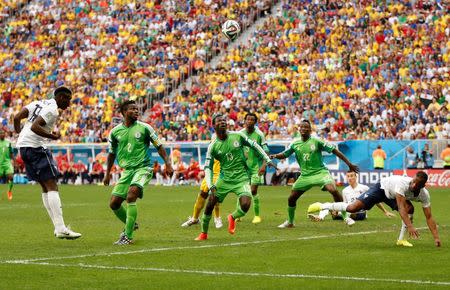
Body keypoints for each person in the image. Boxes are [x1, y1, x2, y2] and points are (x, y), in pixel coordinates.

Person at [13, 86, 81, 239]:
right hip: (36, 148)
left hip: (24, 147)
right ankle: (61, 228)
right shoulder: (53, 109)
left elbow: (17, 118)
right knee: (52, 185)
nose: (69, 104)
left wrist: (19, 133)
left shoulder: (38, 103)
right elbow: (36, 127)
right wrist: (52, 136)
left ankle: (58, 228)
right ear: (61, 98)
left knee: (45, 187)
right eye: (68, 100)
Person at [195, 114, 276, 240]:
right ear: (213, 126)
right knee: (210, 203)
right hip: (224, 179)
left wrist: (266, 159)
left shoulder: (238, 135)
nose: (222, 122)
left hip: (241, 178)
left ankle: (232, 217)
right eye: (219, 121)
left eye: (224, 120)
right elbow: (208, 167)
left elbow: (254, 145)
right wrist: (211, 184)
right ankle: (203, 233)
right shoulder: (213, 146)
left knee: (245, 205)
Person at [103, 100, 173, 245]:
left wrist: (167, 163)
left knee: (131, 196)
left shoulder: (145, 128)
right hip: (127, 171)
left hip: (143, 168)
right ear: (124, 112)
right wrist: (107, 173)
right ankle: (131, 223)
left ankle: (127, 236)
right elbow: (111, 154)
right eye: (133, 109)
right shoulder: (115, 132)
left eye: (137, 109)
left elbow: (159, 146)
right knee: (114, 203)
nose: (136, 111)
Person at [308, 171, 441, 247]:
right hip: (382, 189)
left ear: (423, 186)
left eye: (417, 184)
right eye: (413, 181)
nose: (413, 185)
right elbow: (400, 207)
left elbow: (429, 216)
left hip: (392, 195)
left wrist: (436, 238)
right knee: (352, 208)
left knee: (410, 209)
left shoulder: (424, 195)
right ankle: (323, 205)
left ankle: (401, 240)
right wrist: (410, 226)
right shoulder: (403, 184)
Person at [270, 119, 359, 228]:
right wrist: (274, 156)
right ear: (299, 129)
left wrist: (349, 164)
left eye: (306, 127)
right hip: (305, 176)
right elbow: (285, 154)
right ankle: (290, 222)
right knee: (291, 198)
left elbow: (335, 151)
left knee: (333, 190)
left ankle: (346, 217)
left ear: (310, 130)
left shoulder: (317, 141)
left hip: (320, 173)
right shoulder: (295, 143)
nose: (303, 129)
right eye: (301, 127)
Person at [308, 171, 395, 222]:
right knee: (330, 205)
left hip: (361, 213)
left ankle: (338, 216)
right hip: (349, 210)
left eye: (352, 176)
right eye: (348, 176)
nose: (350, 178)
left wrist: (385, 211)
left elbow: (376, 200)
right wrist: (337, 210)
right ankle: (320, 217)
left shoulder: (364, 188)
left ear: (356, 177)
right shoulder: (345, 190)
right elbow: (344, 204)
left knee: (351, 213)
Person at [240, 113, 270, 224]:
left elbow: (266, 150)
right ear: (244, 121)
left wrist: (264, 165)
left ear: (255, 122)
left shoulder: (259, 134)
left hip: (256, 167)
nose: (250, 121)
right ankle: (239, 213)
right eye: (248, 119)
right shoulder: (240, 134)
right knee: (242, 191)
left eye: (252, 120)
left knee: (253, 190)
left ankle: (257, 215)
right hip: (243, 167)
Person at [181, 157, 222, 229]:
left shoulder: (226, 147)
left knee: (215, 195)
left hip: (220, 175)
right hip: (209, 175)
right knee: (202, 195)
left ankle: (217, 218)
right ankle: (195, 219)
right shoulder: (212, 147)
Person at [0, 129, 14, 200]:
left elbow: (11, 153)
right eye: (1, 133)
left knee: (11, 177)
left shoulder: (8, 143)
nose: (2, 134)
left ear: (5, 134)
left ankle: (9, 191)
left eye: (3, 133)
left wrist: (12, 160)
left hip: (7, 162)